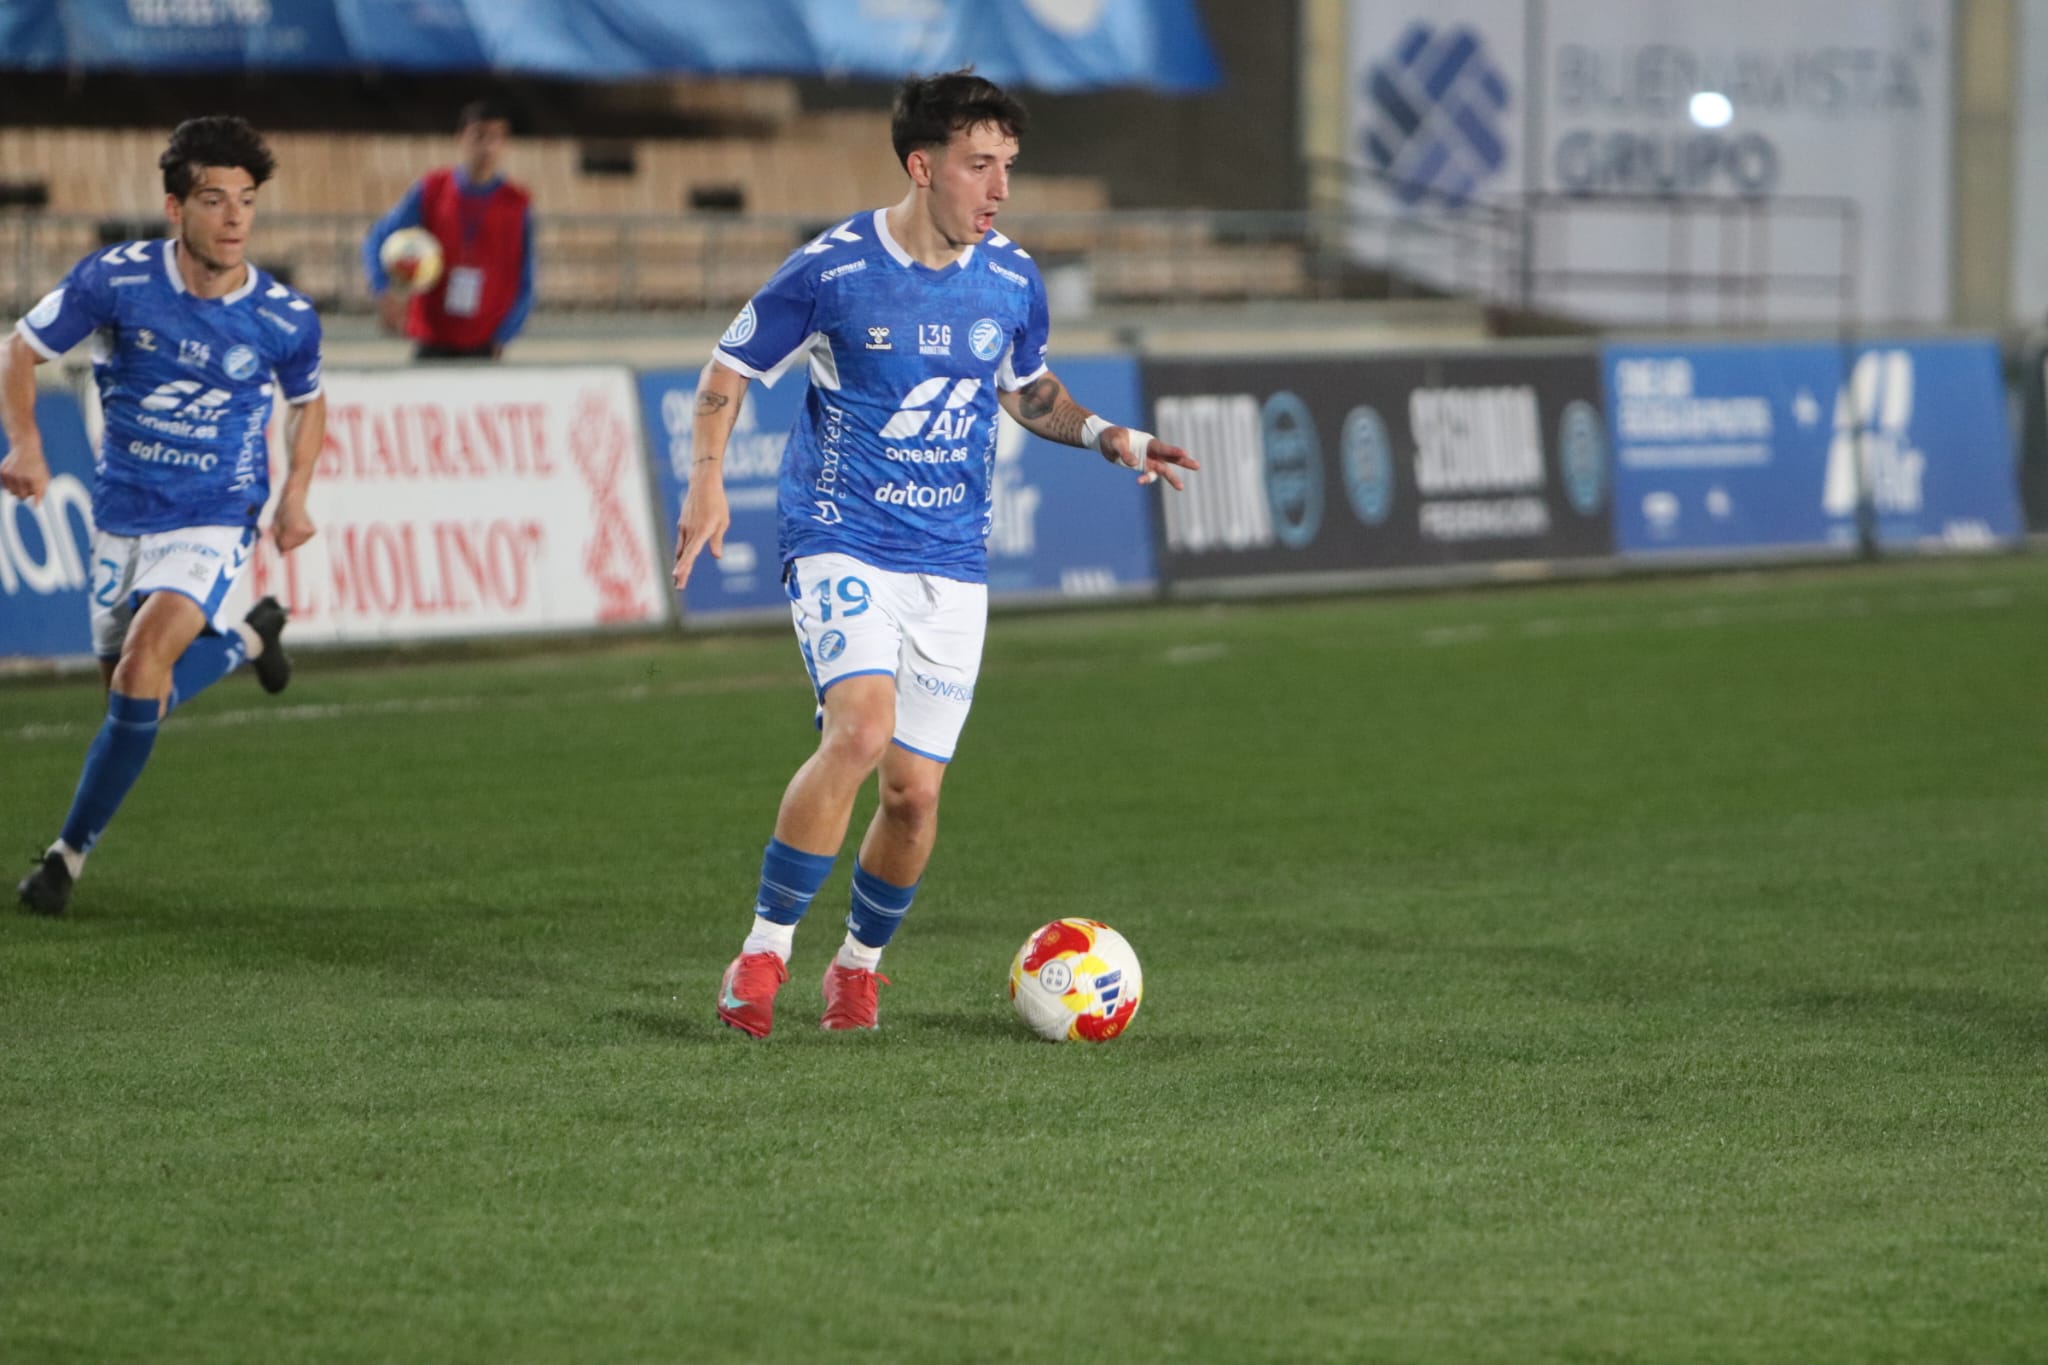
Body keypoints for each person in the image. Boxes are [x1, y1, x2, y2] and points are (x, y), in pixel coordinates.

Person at [674, 69, 1198, 1037]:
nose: (998, 189)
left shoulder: (1009, 279)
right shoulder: (830, 271)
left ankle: (856, 968)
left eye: (1008, 167)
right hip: (839, 536)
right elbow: (727, 369)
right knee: (860, 732)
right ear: (922, 168)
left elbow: (1027, 388)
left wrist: (1111, 439)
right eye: (978, 166)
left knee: (912, 797)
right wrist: (706, 478)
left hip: (951, 561)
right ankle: (761, 954)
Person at [0, 115, 325, 917]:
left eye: (246, 200)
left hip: (215, 513)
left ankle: (64, 860)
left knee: (145, 662)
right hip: (122, 510)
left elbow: (308, 403)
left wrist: (294, 494)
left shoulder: (284, 317)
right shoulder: (116, 281)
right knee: (134, 692)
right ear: (175, 207)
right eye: (215, 200)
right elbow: (21, 349)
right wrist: (29, 445)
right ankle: (249, 639)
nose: (235, 218)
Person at [363, 100, 534, 361]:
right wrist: (382, 288)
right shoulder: (433, 188)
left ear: (505, 143)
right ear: (461, 138)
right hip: (432, 335)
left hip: (485, 340)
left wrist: (506, 332)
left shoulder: (517, 203)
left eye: (496, 137)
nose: (487, 146)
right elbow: (378, 236)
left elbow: (527, 276)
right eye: (479, 136)